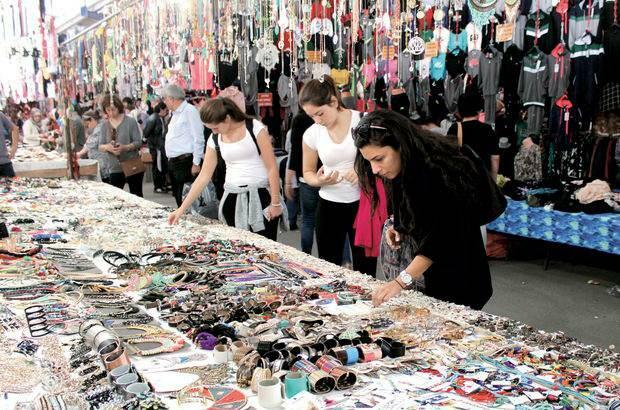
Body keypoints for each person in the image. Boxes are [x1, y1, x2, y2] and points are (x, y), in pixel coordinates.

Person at [354, 110, 493, 310]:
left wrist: (400, 282)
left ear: (400, 146)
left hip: (460, 277)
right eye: (369, 161)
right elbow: (409, 207)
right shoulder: (403, 165)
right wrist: (399, 226)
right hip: (433, 276)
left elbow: (438, 238)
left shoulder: (438, 171)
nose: (375, 169)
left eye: (379, 158)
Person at [168, 97, 284, 241]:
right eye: (210, 128)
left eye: (215, 127)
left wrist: (275, 202)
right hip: (231, 197)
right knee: (238, 249)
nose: (214, 131)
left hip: (260, 197)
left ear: (227, 118)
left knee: (266, 248)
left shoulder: (254, 128)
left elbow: (272, 167)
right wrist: (182, 208)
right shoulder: (215, 139)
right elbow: (204, 176)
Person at [300, 75, 376, 274]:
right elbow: (307, 172)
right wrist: (319, 180)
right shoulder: (312, 133)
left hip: (363, 204)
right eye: (312, 116)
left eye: (320, 113)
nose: (317, 120)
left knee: (365, 269)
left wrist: (362, 169)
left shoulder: (362, 121)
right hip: (328, 205)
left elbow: (384, 159)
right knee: (329, 268)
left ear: (334, 102)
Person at [161, 84, 205, 206]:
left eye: (165, 99)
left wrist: (196, 163)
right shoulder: (174, 114)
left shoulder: (189, 111)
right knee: (178, 197)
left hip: (185, 162)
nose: (165, 102)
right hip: (174, 162)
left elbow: (198, 138)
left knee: (186, 199)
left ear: (171, 98)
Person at [96, 94, 144, 196]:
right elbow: (100, 146)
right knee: (116, 197)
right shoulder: (105, 125)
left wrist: (125, 147)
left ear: (118, 107)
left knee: (136, 194)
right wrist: (108, 147)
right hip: (114, 167)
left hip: (132, 164)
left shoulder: (130, 122)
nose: (111, 113)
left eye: (113, 109)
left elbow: (138, 142)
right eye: (108, 110)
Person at [448, 93, 500, 181]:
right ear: (478, 110)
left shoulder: (455, 128)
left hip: (463, 179)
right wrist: (493, 181)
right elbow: (495, 158)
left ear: (460, 111)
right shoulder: (487, 129)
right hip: (483, 179)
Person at [285, 110, 317, 252]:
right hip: (327, 177)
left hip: (306, 177)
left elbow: (295, 151)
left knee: (308, 220)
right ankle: (343, 261)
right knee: (334, 223)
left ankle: (307, 255)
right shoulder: (327, 116)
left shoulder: (299, 119)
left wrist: (288, 181)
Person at [143, 102, 169, 193]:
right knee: (157, 166)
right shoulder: (153, 118)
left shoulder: (160, 118)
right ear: (161, 109)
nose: (167, 112)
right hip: (155, 146)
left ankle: (161, 184)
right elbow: (146, 132)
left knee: (161, 166)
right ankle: (158, 186)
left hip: (160, 146)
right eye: (166, 110)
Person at [78, 110, 111, 182]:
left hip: (102, 162)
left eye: (87, 124)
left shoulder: (100, 128)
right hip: (98, 161)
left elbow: (91, 144)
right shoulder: (96, 128)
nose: (88, 127)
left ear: (92, 120)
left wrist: (79, 154)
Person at [0, 111, 19, 177]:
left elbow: (15, 129)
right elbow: (15, 129)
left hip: (4, 162)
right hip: (4, 162)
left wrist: (14, 149)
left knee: (12, 186)